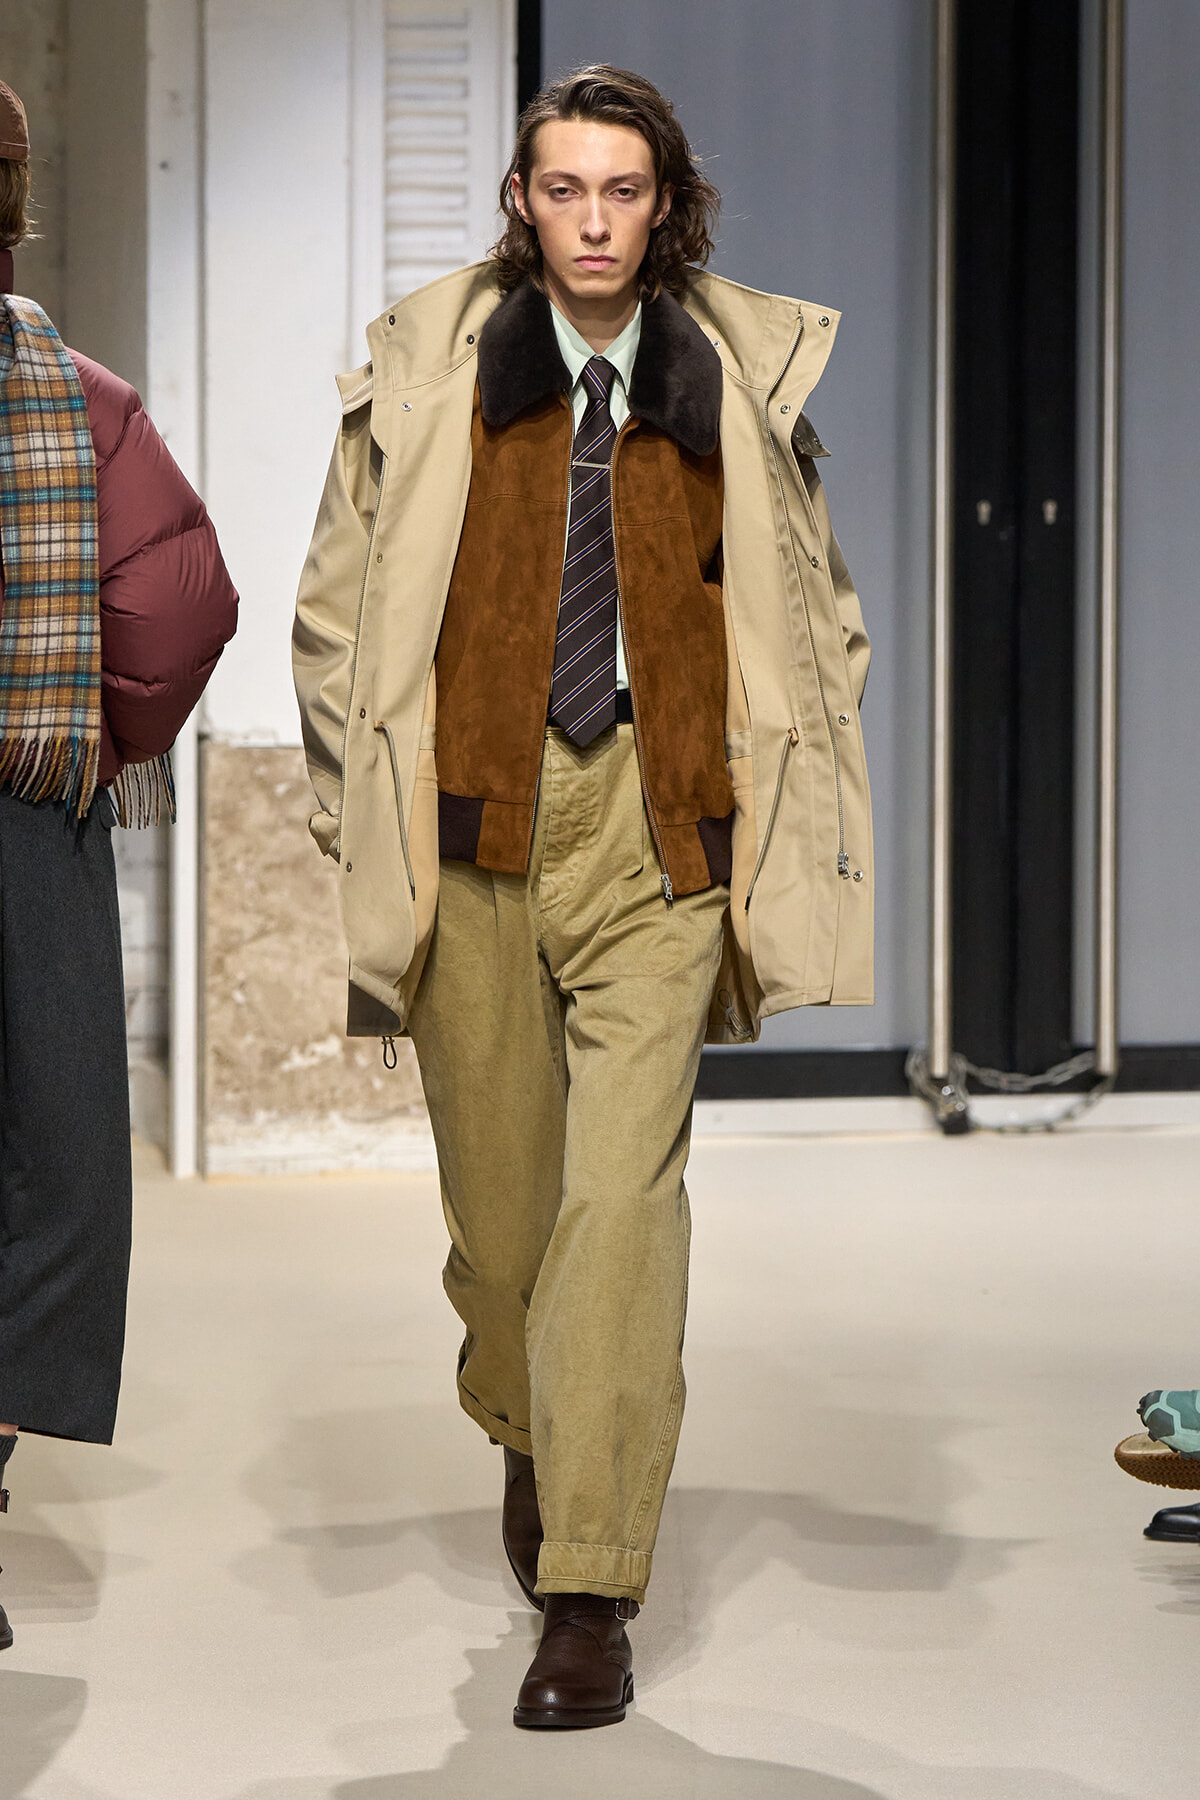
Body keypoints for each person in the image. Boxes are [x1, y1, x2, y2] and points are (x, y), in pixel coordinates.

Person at [293, 64, 872, 1728]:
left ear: (665, 203)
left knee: (622, 1206)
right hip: (477, 821)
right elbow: (335, 624)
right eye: (566, 190)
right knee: (503, 1227)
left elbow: (816, 613)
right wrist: (364, 818)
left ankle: (590, 1586)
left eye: (625, 191)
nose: (597, 220)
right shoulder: (433, 371)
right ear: (524, 202)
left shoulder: (734, 374)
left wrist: (782, 800)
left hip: (664, 826)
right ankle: (539, 1414)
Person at [0, 78, 238, 1652]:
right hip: (26, 820)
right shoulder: (72, 393)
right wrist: (89, 728)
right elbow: (175, 614)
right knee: (51, 1160)